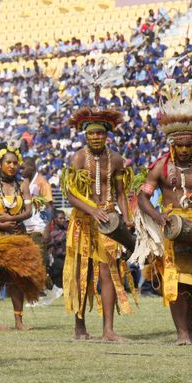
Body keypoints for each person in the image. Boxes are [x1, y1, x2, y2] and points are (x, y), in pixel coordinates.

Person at [135, 68, 192, 345]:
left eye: (189, 145)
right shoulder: (160, 167)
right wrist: (160, 218)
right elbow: (142, 197)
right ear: (172, 143)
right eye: (180, 146)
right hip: (172, 228)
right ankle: (182, 333)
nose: (185, 150)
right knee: (176, 281)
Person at [61, 106, 134, 341]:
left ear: (107, 135)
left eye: (100, 133)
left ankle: (108, 330)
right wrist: (92, 210)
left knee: (108, 272)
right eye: (91, 134)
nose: (95, 137)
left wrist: (127, 217)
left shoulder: (116, 159)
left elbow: (121, 193)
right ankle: (79, 326)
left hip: (109, 221)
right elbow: (71, 194)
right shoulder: (79, 157)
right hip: (83, 221)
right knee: (81, 271)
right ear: (85, 135)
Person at [0, 141, 46, 330]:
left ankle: (19, 321)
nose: (12, 166)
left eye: (15, 163)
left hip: (17, 236)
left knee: (17, 278)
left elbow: (28, 211)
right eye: (8, 163)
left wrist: (12, 218)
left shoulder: (23, 186)